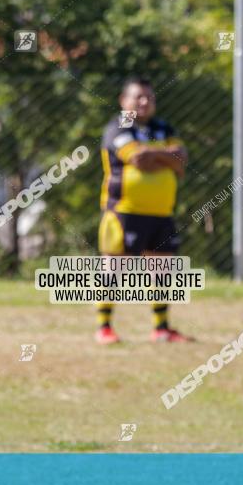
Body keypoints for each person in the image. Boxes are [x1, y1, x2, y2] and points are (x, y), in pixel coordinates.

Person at [95, 76, 192, 345]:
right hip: (124, 211)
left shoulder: (163, 127)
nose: (145, 102)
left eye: (150, 97)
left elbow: (182, 158)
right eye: (138, 97)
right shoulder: (117, 126)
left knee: (161, 270)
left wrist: (154, 155)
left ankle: (161, 329)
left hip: (161, 212)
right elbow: (136, 158)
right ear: (123, 100)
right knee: (114, 268)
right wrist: (166, 156)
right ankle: (104, 327)